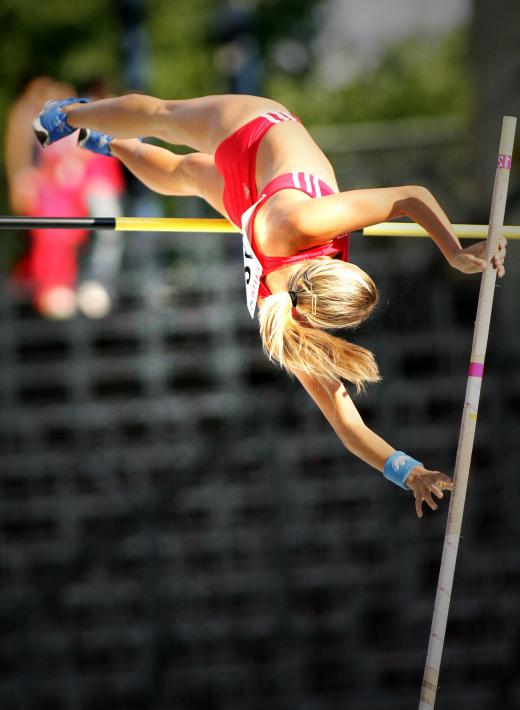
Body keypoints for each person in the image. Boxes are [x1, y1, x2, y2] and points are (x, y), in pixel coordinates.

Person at [32, 92, 507, 516]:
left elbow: (411, 195)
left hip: (253, 133)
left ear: (331, 269)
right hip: (253, 210)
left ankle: (68, 115)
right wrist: (407, 472)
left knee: (163, 115)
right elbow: (345, 423)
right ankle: (106, 143)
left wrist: (455, 253)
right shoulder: (290, 323)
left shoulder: (310, 220)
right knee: (185, 174)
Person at [5, 77, 125, 319]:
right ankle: (54, 286)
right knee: (54, 237)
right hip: (55, 191)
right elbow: (22, 154)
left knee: (85, 235)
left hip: (75, 188)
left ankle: (83, 285)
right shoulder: (31, 119)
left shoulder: (70, 116)